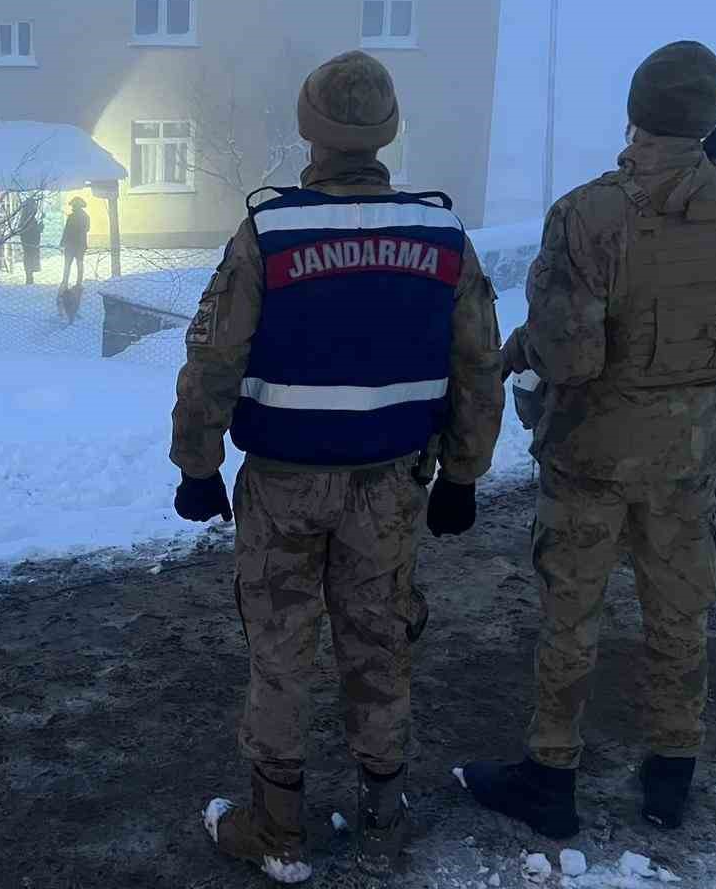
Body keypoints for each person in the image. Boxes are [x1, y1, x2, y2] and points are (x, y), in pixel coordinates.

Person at [461, 41, 716, 838]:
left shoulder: (589, 214)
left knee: (571, 615)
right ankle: (671, 774)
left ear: (634, 112)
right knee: (680, 613)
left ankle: (551, 775)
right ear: (712, 117)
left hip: (594, 452)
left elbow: (573, 356)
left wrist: (527, 345)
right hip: (692, 454)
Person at [170, 51, 505, 879]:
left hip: (282, 484)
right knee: (380, 640)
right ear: (387, 132)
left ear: (309, 128)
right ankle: (384, 806)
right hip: (393, 485)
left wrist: (197, 463)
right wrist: (464, 474)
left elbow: (213, 360)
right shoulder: (441, 234)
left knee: (280, 647)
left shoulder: (269, 233)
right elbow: (479, 367)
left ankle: (276, 829)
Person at [60, 196, 89, 290]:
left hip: (71, 244)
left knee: (68, 264)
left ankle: (65, 282)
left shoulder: (72, 217)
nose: (73, 207)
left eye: (74, 205)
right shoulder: (86, 216)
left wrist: (63, 242)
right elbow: (87, 229)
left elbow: (67, 231)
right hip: (80, 244)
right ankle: (78, 283)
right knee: (79, 263)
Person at [19, 197, 43, 286]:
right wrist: (38, 228)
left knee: (30, 258)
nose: (35, 208)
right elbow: (28, 230)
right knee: (29, 258)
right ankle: (29, 277)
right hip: (29, 242)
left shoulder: (30, 218)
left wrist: (39, 227)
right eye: (33, 206)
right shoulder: (26, 218)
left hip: (32, 242)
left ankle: (30, 276)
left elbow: (35, 230)